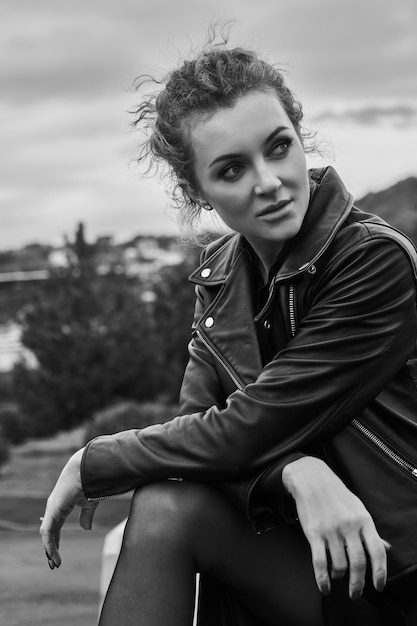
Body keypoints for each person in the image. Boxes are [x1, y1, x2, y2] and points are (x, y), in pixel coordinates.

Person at [40, 43, 417, 626]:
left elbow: (247, 428)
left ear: (299, 135)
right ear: (198, 192)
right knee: (168, 503)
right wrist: (296, 472)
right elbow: (200, 437)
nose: (269, 182)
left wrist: (96, 461)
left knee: (170, 501)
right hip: (308, 560)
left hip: (395, 570)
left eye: (279, 147)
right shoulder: (220, 280)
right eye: (232, 169)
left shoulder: (374, 261)